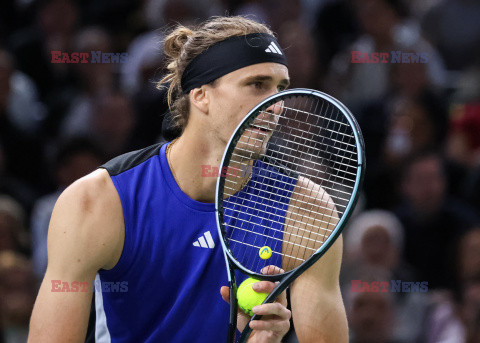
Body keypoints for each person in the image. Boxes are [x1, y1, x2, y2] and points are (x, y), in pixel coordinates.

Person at [28, 16, 348, 342]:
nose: (276, 105)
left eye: (280, 88)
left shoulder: (307, 211)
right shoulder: (99, 201)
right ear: (201, 96)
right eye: (257, 85)